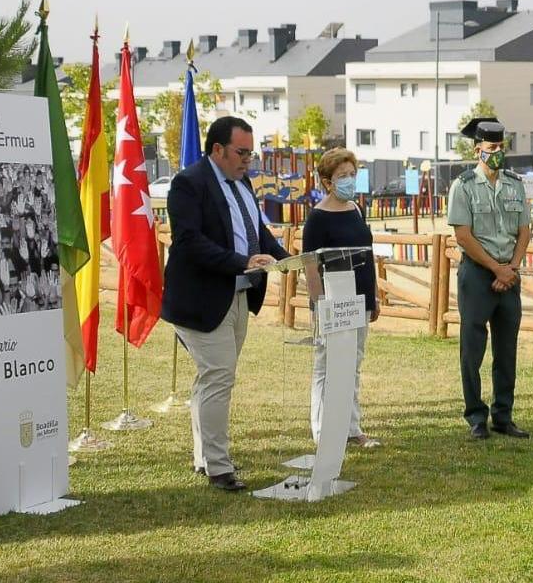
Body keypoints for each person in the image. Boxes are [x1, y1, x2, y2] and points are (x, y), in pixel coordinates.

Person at [160, 116, 289, 491]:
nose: (248, 159)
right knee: (219, 375)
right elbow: (188, 241)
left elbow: (257, 232)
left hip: (238, 294)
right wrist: (241, 262)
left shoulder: (243, 183)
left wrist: (284, 256)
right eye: (241, 152)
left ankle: (204, 457)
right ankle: (218, 467)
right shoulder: (189, 183)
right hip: (201, 298)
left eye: (251, 152)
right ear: (217, 149)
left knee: (212, 377)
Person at [447, 117, 532, 440]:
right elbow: (463, 235)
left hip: (509, 274)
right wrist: (496, 269)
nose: (496, 152)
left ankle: (503, 415)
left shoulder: (514, 184)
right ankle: (476, 417)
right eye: (491, 147)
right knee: (472, 349)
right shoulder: (464, 185)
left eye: (500, 147)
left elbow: (524, 231)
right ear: (477, 148)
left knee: (506, 349)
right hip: (478, 274)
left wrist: (510, 267)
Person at [302, 148, 381, 448]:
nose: (349, 180)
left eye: (352, 174)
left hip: (359, 296)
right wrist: (318, 304)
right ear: (327, 182)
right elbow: (311, 264)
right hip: (332, 299)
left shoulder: (357, 210)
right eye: (342, 176)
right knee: (327, 365)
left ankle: (352, 428)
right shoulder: (318, 218)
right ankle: (323, 431)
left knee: (352, 363)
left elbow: (367, 254)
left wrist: (373, 295)